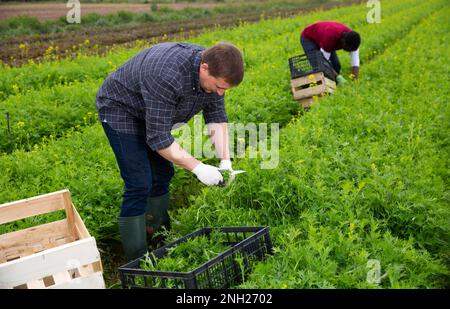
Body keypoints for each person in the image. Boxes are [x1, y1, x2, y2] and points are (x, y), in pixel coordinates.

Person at [96, 42, 244, 260]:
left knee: (163, 173)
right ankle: (137, 261)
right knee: (139, 182)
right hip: (121, 109)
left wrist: (225, 162)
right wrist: (198, 168)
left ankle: (159, 237)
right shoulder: (167, 74)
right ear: (204, 68)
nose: (221, 93)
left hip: (153, 111)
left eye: (226, 89)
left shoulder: (215, 71)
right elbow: (158, 138)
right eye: (220, 86)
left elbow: (216, 119)